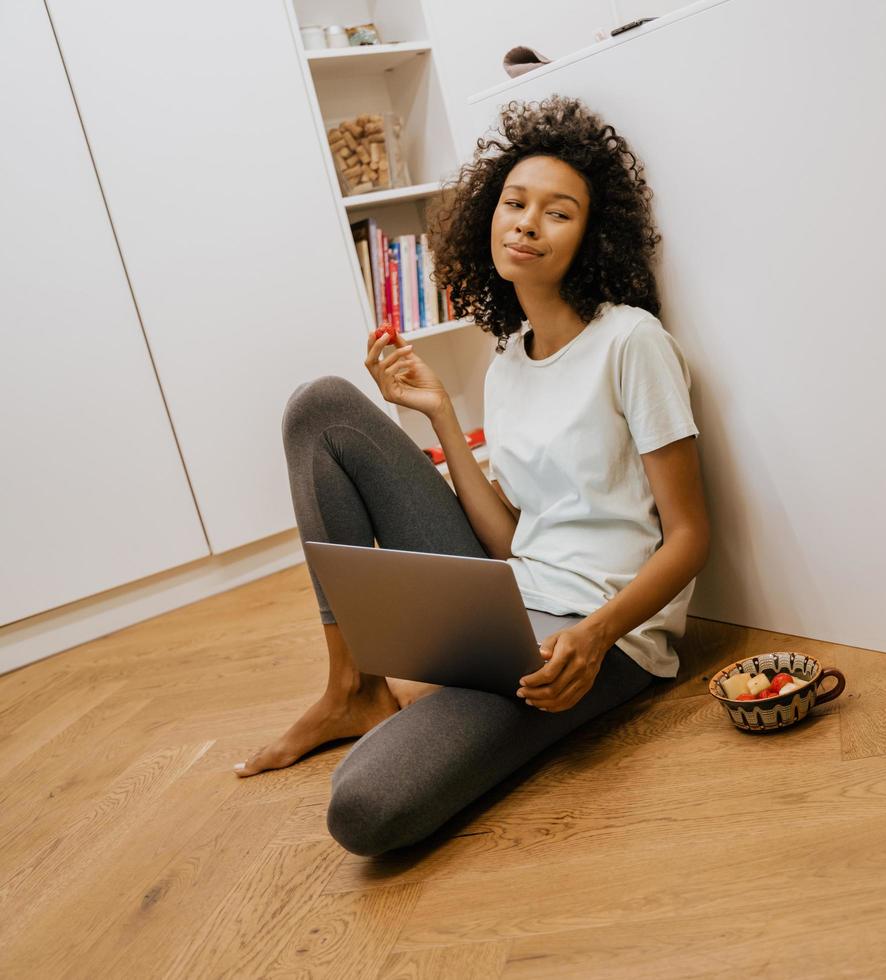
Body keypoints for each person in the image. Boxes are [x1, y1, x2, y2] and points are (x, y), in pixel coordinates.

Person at [235, 95, 709, 857]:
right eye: (515, 202)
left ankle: (410, 702)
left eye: (558, 212)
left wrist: (594, 635)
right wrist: (442, 419)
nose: (526, 222)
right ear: (488, 214)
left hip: (599, 638)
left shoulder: (631, 342)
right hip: (512, 597)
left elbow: (689, 538)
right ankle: (352, 687)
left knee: (363, 810)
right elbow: (511, 542)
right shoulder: (507, 362)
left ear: (592, 237)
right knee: (321, 410)